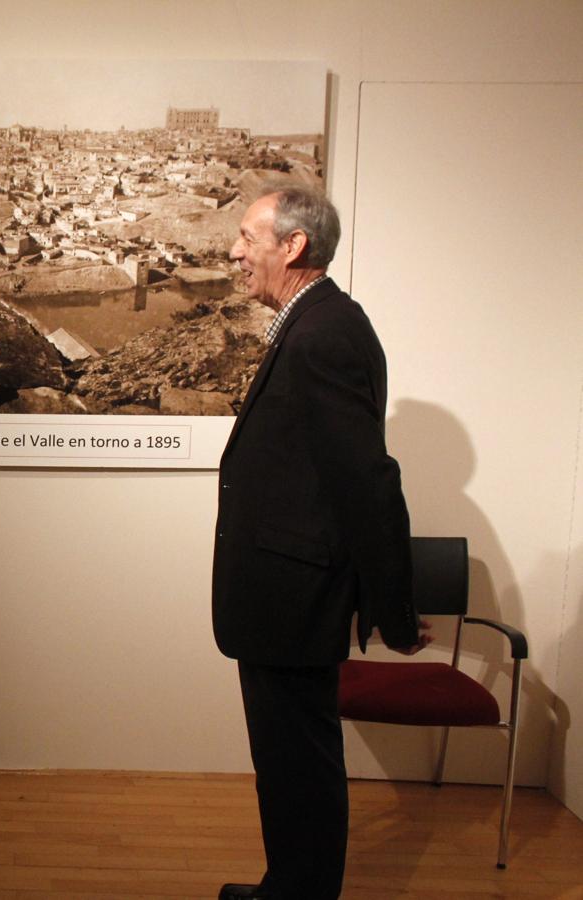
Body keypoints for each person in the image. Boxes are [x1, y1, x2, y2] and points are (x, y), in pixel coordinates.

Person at [211, 185, 431, 899]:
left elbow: (367, 481)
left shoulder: (326, 333)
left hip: (293, 596)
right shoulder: (315, 325)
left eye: (248, 236)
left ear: (293, 245)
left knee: (298, 761)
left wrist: (391, 608)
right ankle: (288, 886)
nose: (235, 252)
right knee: (285, 760)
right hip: (285, 592)